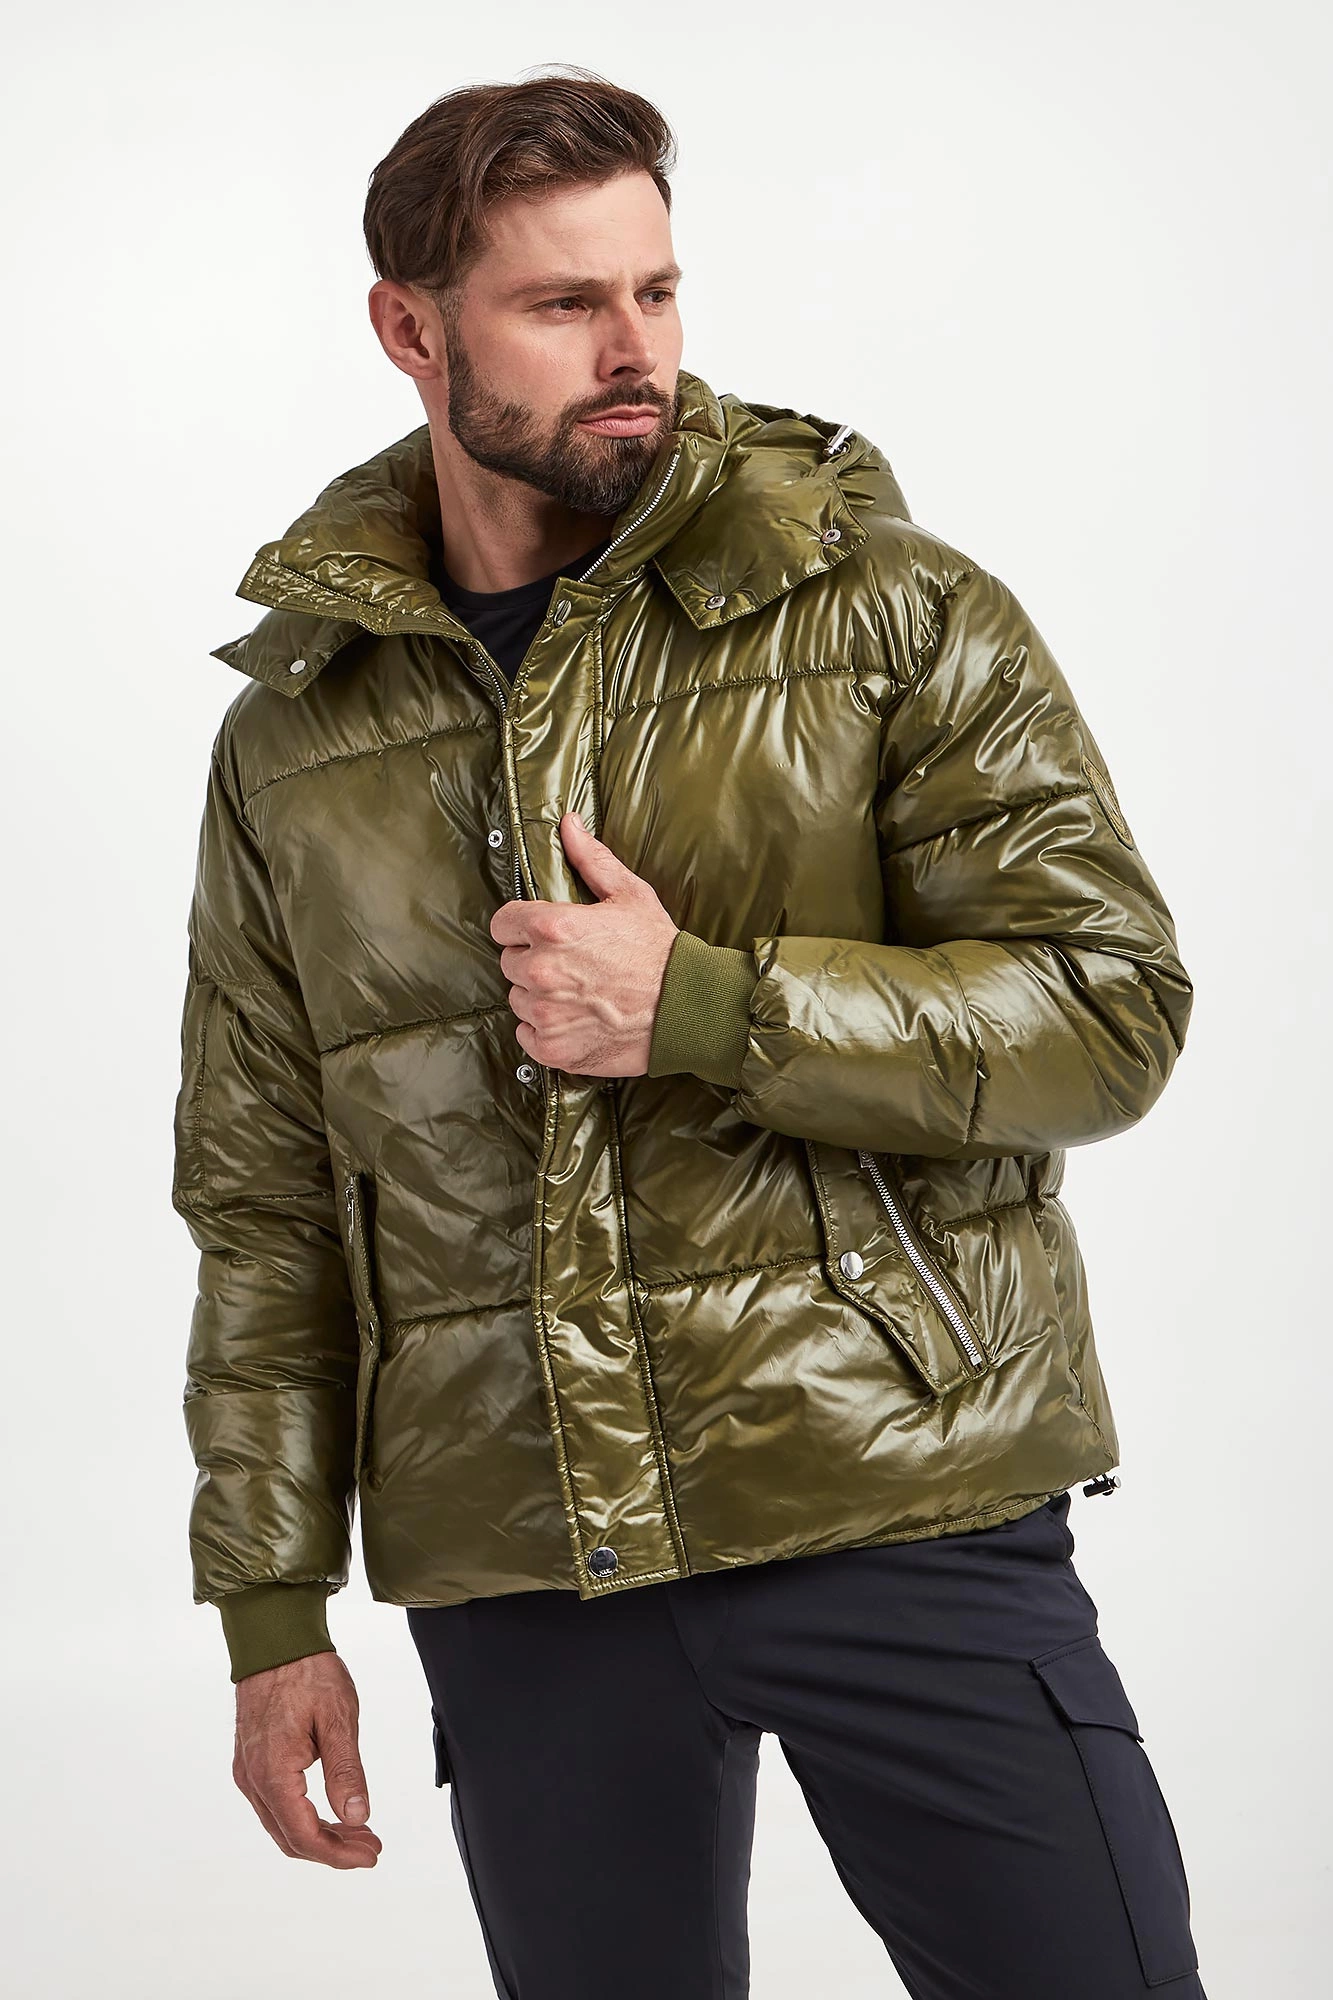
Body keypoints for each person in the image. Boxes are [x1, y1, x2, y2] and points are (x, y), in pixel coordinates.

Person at [172, 64, 1208, 2000]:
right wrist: (270, 1604)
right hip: (521, 1555)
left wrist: (715, 1007)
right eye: (563, 304)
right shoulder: (295, 738)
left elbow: (1111, 1007)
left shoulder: (885, 610)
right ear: (412, 331)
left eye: (655, 290)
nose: (632, 349)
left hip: (898, 1481)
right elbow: (264, 1200)